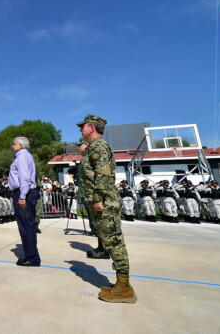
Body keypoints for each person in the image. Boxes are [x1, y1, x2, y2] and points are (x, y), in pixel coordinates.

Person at [78, 114, 136, 303]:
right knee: (110, 241)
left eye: (83, 126)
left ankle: (124, 288)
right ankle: (121, 284)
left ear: (92, 128)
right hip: (102, 201)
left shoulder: (99, 146)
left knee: (114, 242)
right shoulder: (93, 148)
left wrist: (98, 199)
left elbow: (102, 174)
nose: (81, 130)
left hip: (105, 202)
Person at [8, 136, 40, 267]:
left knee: (26, 226)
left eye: (14, 144)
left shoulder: (21, 157)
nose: (13, 146)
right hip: (28, 192)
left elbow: (24, 178)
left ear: (20, 145)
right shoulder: (27, 156)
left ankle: (32, 258)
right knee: (28, 225)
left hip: (24, 193)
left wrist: (22, 196)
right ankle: (31, 255)